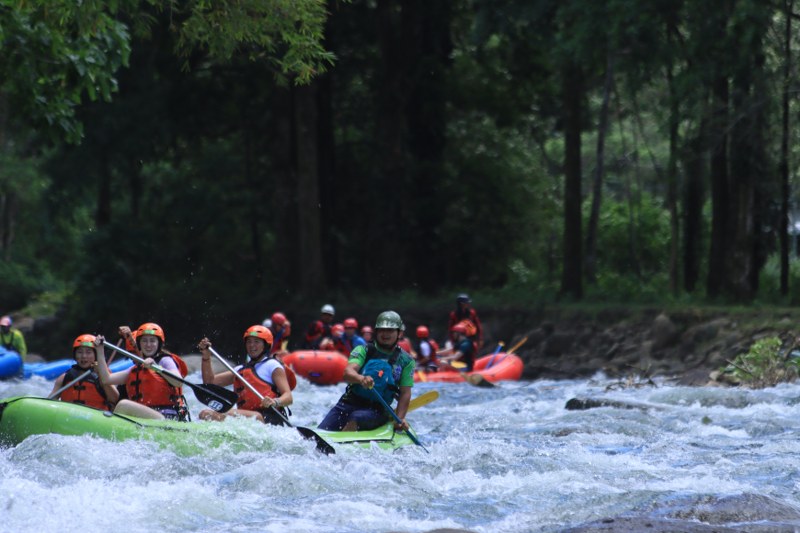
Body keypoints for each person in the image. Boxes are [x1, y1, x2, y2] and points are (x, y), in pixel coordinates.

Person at [317, 310, 415, 432]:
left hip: (377, 410)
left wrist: (399, 419)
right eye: (382, 330)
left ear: (399, 333)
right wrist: (361, 379)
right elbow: (348, 373)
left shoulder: (406, 361)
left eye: (390, 330)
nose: (385, 334)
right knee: (322, 431)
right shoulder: (363, 350)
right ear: (376, 331)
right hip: (349, 403)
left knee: (355, 418)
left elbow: (405, 392)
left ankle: (341, 445)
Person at [197, 324, 295, 425]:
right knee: (205, 415)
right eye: (249, 342)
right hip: (249, 417)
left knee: (208, 414)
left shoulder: (272, 365)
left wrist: (275, 402)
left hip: (268, 418)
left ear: (265, 345)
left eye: (256, 342)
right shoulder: (239, 370)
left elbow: (288, 397)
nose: (251, 345)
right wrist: (206, 357)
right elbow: (209, 383)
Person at [96, 323, 190, 421]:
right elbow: (106, 379)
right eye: (144, 341)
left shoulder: (165, 360)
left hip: (167, 418)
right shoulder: (136, 369)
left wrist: (156, 367)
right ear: (139, 344)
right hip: (147, 418)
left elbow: (179, 381)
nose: (148, 344)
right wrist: (100, 351)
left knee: (123, 405)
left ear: (159, 343)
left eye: (152, 341)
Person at [50, 334, 119, 410]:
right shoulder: (65, 377)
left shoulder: (104, 375)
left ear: (95, 355)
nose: (84, 356)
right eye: (80, 352)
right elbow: (49, 401)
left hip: (95, 418)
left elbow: (114, 399)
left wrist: (100, 375)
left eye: (88, 352)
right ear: (75, 355)